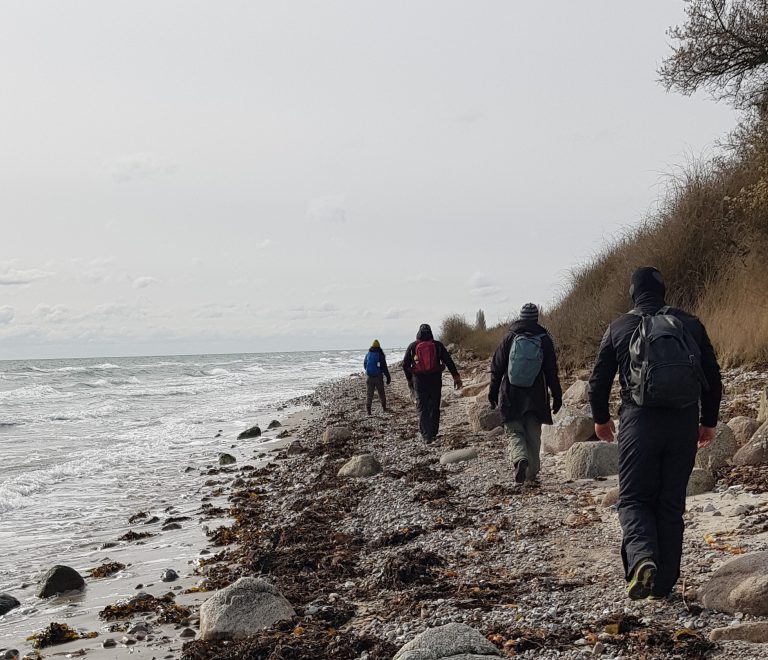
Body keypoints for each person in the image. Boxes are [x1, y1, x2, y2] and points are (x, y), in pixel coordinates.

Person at [588, 266, 722, 600]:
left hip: (639, 422)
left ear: (633, 293)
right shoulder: (690, 324)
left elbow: (598, 382)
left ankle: (642, 559)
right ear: (663, 292)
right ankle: (663, 586)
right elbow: (713, 377)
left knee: (633, 499)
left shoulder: (619, 327)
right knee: (671, 503)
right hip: (682, 422)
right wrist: (709, 422)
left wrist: (601, 419)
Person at [489, 303, 562, 484]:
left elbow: (496, 367)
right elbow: (552, 371)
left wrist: (492, 391)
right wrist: (557, 395)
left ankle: (520, 459)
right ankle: (532, 475)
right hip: (536, 396)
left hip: (511, 394)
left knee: (514, 432)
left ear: (520, 317)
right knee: (533, 436)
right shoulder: (544, 339)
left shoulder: (510, 337)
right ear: (536, 318)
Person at [402, 324, 462, 443]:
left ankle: (426, 435)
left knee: (422, 407)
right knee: (435, 406)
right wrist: (456, 377)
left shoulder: (413, 346)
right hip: (435, 380)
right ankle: (433, 432)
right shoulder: (437, 345)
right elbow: (448, 361)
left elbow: (405, 365)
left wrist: (409, 379)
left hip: (419, 381)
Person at [363, 339, 391, 415]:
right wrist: (388, 377)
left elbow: (365, 365)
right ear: (379, 347)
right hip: (378, 376)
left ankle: (368, 410)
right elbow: (384, 367)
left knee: (369, 394)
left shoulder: (368, 354)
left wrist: (369, 371)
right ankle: (384, 408)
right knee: (381, 393)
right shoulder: (380, 355)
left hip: (369, 377)